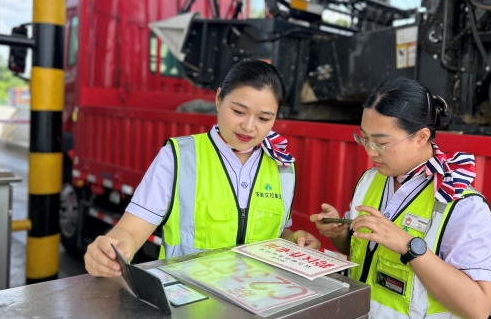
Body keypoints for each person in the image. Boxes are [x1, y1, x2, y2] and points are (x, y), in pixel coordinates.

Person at [311, 77, 491, 319]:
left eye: (382, 142)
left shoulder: (461, 205)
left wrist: (409, 246)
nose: (370, 151)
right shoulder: (371, 180)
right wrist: (341, 233)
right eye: (364, 138)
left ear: (421, 136)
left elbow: (477, 309)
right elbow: (365, 255)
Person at [86, 60, 320, 277]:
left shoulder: (282, 166)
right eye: (239, 112)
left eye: (264, 118)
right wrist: (109, 249)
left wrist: (295, 238)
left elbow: (276, 233)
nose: (249, 127)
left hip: (257, 306)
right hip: (188, 308)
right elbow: (130, 231)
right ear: (219, 99)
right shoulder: (178, 157)